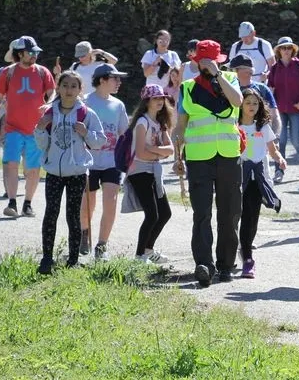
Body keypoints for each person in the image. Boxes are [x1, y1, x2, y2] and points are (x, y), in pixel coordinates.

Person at [173, 40, 244, 287]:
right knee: (201, 212)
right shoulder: (187, 88)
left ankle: (226, 264)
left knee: (230, 212)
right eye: (203, 62)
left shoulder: (231, 79)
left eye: (211, 61)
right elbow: (180, 126)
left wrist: (217, 75)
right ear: (196, 62)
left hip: (228, 155)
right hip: (198, 157)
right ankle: (203, 264)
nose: (206, 65)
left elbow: (237, 102)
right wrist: (176, 156)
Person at [33, 70, 106, 274]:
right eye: (65, 85)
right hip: (54, 172)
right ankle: (47, 259)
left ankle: (73, 260)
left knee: (73, 216)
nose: (69, 90)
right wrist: (39, 129)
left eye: (74, 86)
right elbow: (43, 145)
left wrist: (86, 132)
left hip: (76, 172)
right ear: (58, 87)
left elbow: (100, 141)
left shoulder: (86, 114)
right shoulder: (49, 113)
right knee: (51, 214)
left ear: (80, 90)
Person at [0, 36, 56, 218]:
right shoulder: (8, 73)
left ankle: (28, 203)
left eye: (36, 52)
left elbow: (52, 94)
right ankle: (12, 202)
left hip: (36, 129)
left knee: (33, 169)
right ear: (20, 54)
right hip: (12, 128)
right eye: (31, 52)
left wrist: (48, 103)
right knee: (11, 164)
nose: (35, 55)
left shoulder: (43, 72)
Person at [81, 64, 130, 260]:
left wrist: (129, 160)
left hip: (112, 162)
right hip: (88, 162)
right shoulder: (84, 102)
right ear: (102, 80)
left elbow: (124, 134)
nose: (119, 82)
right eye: (115, 78)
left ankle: (102, 245)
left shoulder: (118, 105)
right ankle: (84, 234)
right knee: (87, 204)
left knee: (110, 201)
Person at [238, 88, 286, 279]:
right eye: (248, 102)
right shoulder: (235, 126)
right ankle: (244, 256)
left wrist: (279, 159)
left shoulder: (263, 127)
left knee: (253, 217)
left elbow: (272, 149)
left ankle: (247, 250)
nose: (251, 106)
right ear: (240, 104)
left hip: (258, 177)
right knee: (241, 215)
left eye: (255, 103)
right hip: (239, 176)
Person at [128, 84, 175, 264]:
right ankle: (140, 255)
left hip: (153, 170)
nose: (160, 101)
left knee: (165, 213)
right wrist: (159, 152)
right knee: (152, 214)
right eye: (155, 98)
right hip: (139, 171)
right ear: (147, 101)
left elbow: (170, 149)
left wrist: (154, 149)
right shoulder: (142, 122)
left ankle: (148, 251)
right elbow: (140, 153)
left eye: (161, 98)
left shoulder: (160, 123)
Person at [266, 37, 299, 182]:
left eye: (289, 48)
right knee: (281, 140)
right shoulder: (274, 68)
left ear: (293, 50)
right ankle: (279, 171)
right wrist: (270, 97)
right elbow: (270, 89)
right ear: (279, 51)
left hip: (296, 109)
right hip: (279, 109)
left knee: (296, 140)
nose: (286, 50)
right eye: (283, 48)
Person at [231, 54, 281, 138]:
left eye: (232, 69)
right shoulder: (229, 89)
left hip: (259, 137)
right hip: (235, 137)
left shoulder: (262, 89)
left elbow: (275, 116)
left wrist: (275, 137)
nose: (230, 72)